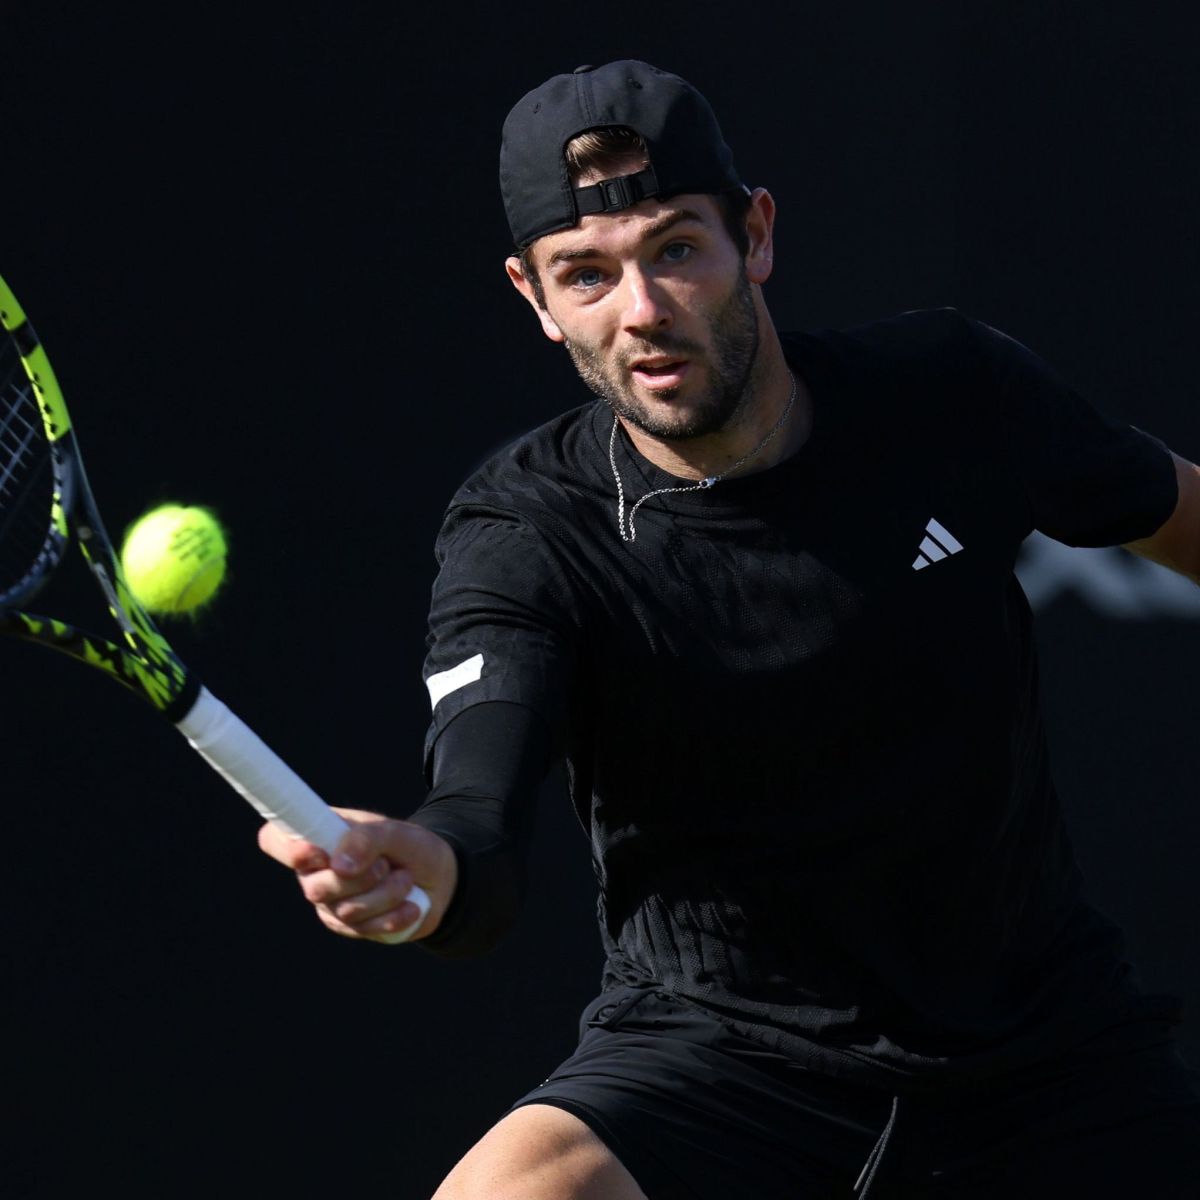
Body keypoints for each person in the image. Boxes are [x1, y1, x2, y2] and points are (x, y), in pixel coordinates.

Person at [259, 61, 1200, 1198]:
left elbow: (1182, 516)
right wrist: (430, 875)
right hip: (721, 1063)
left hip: (1048, 1061)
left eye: (675, 250)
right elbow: (478, 827)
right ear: (536, 299)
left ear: (754, 237)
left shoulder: (952, 394)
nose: (642, 311)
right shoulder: (525, 533)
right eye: (587, 275)